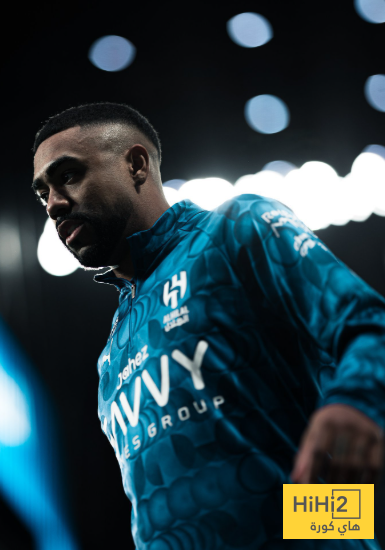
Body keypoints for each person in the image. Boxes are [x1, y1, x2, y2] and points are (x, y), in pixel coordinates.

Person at [32, 102, 385, 549]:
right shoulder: (111, 357)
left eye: (68, 175)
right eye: (43, 193)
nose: (54, 205)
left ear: (136, 164)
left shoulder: (236, 230)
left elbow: (367, 321)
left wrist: (352, 404)